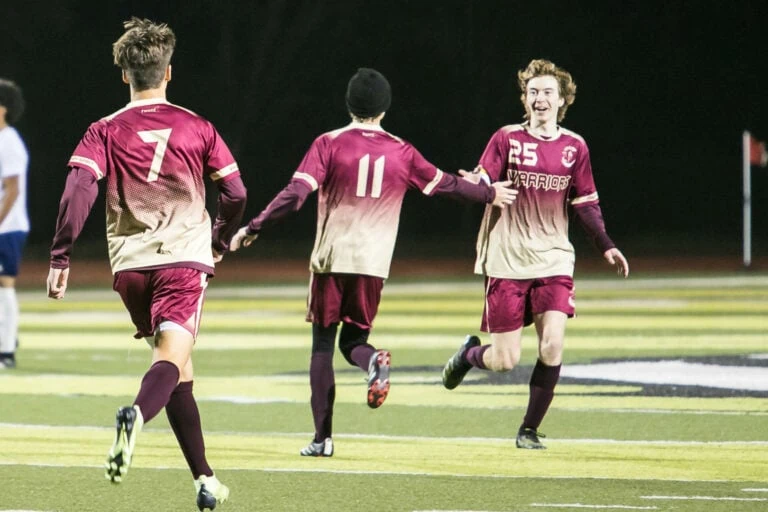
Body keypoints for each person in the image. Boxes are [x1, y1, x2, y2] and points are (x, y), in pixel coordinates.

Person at [229, 67, 517, 457]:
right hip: (373, 264)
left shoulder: (328, 143)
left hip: (332, 259)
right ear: (384, 109)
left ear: (348, 103)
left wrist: (254, 226)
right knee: (355, 341)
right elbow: (446, 184)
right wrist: (487, 194)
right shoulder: (402, 150)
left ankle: (322, 439)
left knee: (322, 347)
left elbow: (296, 195)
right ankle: (372, 361)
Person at [47, 17, 246, 510]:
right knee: (169, 361)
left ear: (125, 76)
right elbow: (236, 191)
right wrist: (219, 235)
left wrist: (61, 255)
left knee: (179, 367)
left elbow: (78, 189)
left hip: (130, 268)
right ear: (168, 72)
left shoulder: (104, 130)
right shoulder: (197, 125)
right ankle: (136, 415)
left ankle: (205, 479)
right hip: (183, 260)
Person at [441, 59, 629, 449]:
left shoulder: (574, 147)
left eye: (547, 92)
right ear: (524, 99)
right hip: (507, 259)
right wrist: (476, 185)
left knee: (552, 346)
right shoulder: (507, 138)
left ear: (562, 100)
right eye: (533, 92)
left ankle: (528, 429)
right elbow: (482, 181)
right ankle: (468, 356)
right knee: (504, 360)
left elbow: (586, 203)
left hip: (554, 257)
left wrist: (605, 244)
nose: (539, 99)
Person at [0, 79, 29, 370]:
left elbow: (13, 189)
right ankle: (7, 337)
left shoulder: (10, 141)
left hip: (7, 228)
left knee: (4, 285)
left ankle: (6, 351)